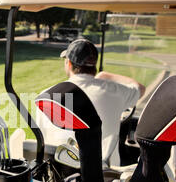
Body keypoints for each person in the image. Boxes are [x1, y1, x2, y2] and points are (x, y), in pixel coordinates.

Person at [36, 39, 146, 167]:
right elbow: (140, 88)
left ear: (69, 64)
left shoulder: (47, 96)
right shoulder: (115, 91)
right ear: (94, 65)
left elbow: (42, 140)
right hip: (105, 175)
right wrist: (106, 75)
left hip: (58, 173)